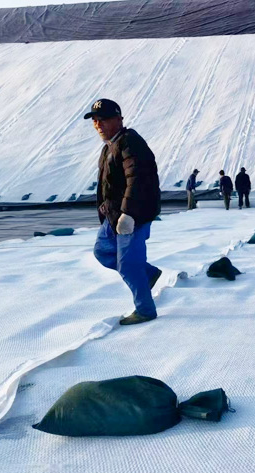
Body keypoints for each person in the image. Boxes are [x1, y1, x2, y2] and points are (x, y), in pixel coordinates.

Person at [85, 98, 161, 326]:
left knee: (128, 264)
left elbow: (136, 179)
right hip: (113, 215)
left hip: (132, 216)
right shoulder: (108, 146)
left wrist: (128, 214)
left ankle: (145, 310)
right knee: (102, 251)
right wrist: (104, 208)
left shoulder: (130, 143)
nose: (99, 124)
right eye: (95, 121)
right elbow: (107, 184)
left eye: (105, 119)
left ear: (119, 119)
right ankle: (147, 274)